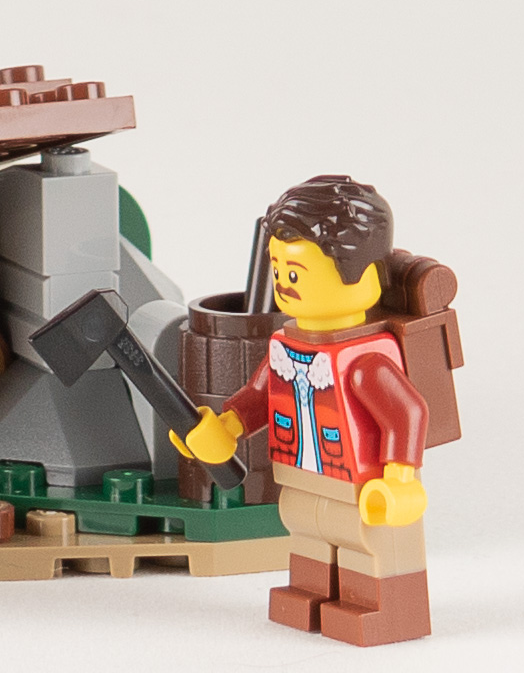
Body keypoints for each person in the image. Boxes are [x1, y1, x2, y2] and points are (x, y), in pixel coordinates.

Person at [177, 174, 432, 646]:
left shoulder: (364, 359)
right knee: (307, 530)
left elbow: (407, 413)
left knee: (364, 541)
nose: (283, 285)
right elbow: (260, 397)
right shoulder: (285, 345)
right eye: (278, 271)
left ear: (366, 277)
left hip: (363, 484)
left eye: (296, 274)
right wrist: (227, 427)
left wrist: (401, 478)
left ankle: (380, 605)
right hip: (300, 474)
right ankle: (310, 592)